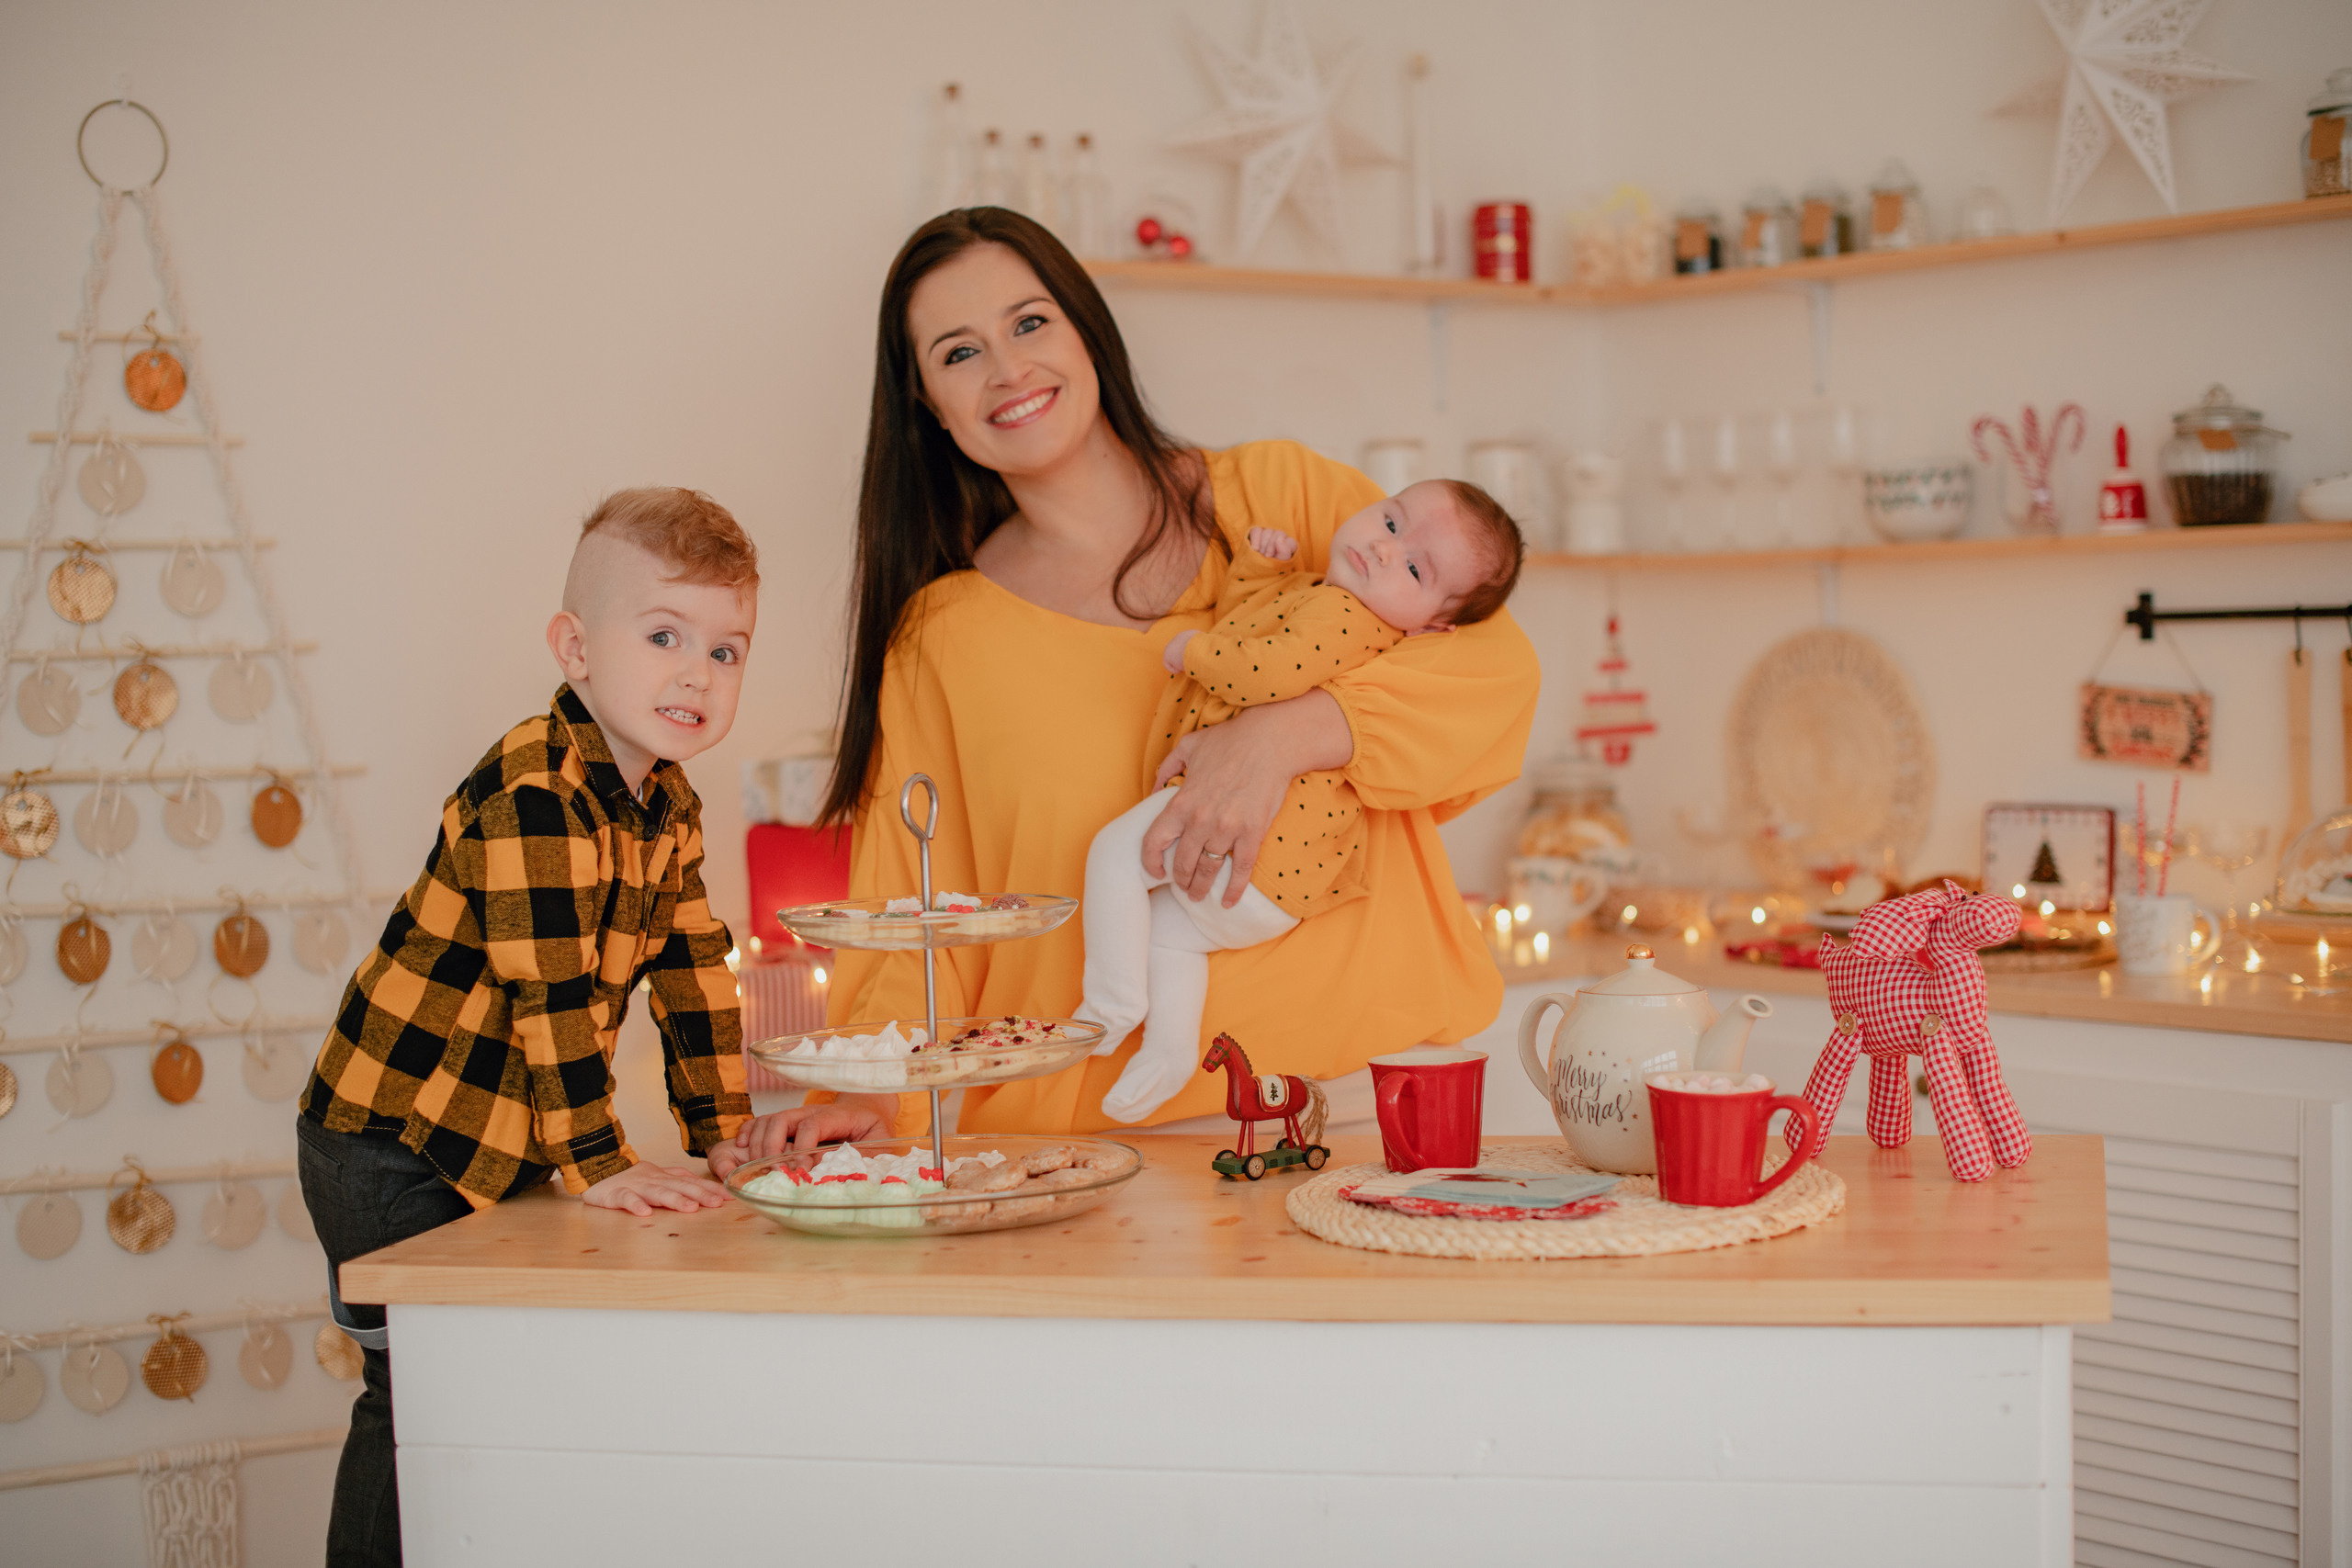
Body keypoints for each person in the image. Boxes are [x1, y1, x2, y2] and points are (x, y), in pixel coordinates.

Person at [802, 207, 1539, 1140]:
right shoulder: (940, 638)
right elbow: (908, 909)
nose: (1007, 369)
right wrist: (869, 1093)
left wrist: (1284, 733)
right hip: (1115, 1145)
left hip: (1381, 1106)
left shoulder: (1283, 498)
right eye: (957, 353)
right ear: (926, 403)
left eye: (1030, 323)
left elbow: (1496, 669)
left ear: (1086, 329)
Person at [295, 488, 856, 1565]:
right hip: (390, 1135)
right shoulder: (532, 793)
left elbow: (694, 969)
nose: (697, 673)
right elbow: (548, 992)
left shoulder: (670, 805)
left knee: (498, 1382)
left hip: (502, 1130)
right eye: (662, 636)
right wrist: (597, 1161)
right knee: (414, 1388)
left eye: (726, 650)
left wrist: (720, 1134)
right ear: (576, 647)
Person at [1077, 483, 1525, 1121]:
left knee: (1116, 855)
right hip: (1274, 885)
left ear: (1432, 625)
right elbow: (1251, 622)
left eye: (1416, 567)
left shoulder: (1347, 618)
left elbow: (1265, 670)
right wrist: (1261, 570)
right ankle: (1170, 1051)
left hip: (1254, 845)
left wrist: (1192, 653)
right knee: (1171, 939)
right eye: (1393, 520)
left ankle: (1113, 1002)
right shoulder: (1320, 595)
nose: (1383, 547)